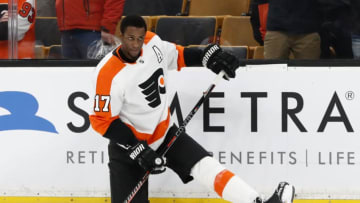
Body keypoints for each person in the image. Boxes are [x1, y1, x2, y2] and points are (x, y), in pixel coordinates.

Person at [89, 15, 296, 203]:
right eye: (130, 38)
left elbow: (178, 56)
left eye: (139, 38)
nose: (135, 44)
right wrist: (136, 147)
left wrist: (208, 57)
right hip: (129, 147)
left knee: (205, 166)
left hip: (164, 132)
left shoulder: (152, 43)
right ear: (120, 37)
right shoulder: (108, 73)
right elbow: (101, 120)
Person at [55, 0, 125, 59]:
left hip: (93, 32)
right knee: (69, 73)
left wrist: (107, 28)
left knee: (96, 72)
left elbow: (114, 3)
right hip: (67, 31)